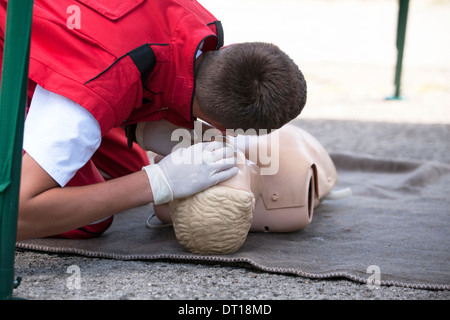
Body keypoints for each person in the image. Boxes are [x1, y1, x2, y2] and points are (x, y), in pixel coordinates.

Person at [0, 0, 306, 241]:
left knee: (129, 167)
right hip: (27, 55)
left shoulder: (200, 24)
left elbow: (140, 51)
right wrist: (158, 183)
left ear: (227, 50)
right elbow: (13, 215)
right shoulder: (94, 94)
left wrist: (142, 126)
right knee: (90, 221)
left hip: (53, 32)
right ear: (225, 128)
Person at [150, 124, 339, 255]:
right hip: (290, 143)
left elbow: (161, 161)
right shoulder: (288, 201)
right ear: (251, 202)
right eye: (238, 168)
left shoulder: (166, 209)